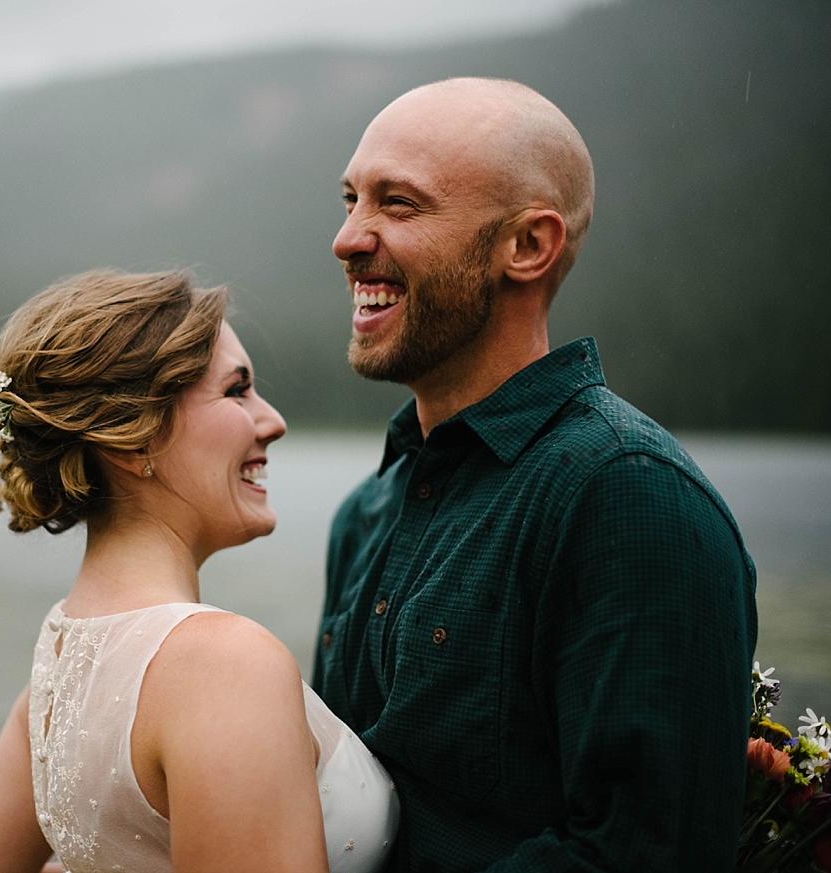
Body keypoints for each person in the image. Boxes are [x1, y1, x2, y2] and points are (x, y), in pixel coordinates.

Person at [312, 78, 759, 870]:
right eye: (350, 200)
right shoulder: (365, 510)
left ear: (528, 246)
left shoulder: (629, 494)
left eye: (398, 204)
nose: (349, 238)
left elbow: (642, 855)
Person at [0, 269, 397, 873]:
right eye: (237, 391)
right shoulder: (226, 669)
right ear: (132, 437)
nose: (273, 420)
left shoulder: (54, 681)